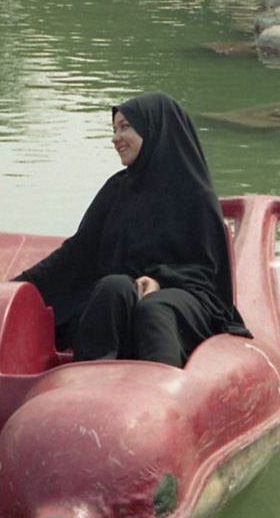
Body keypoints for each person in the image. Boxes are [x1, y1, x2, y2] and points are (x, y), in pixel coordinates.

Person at [17, 93, 247, 366]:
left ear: (153, 130)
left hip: (185, 295)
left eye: (125, 127)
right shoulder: (117, 189)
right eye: (114, 129)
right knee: (111, 287)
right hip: (123, 293)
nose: (115, 138)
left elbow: (204, 271)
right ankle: (87, 381)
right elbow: (77, 253)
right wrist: (19, 289)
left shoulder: (195, 194)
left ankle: (162, 395)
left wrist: (160, 282)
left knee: (154, 309)